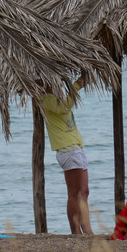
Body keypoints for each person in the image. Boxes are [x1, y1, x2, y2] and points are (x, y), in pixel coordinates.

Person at [41, 76, 92, 234]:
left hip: (76, 147)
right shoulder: (45, 99)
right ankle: (76, 231)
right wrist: (76, 86)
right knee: (74, 193)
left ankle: (87, 229)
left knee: (84, 191)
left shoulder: (57, 98)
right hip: (67, 149)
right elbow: (64, 107)